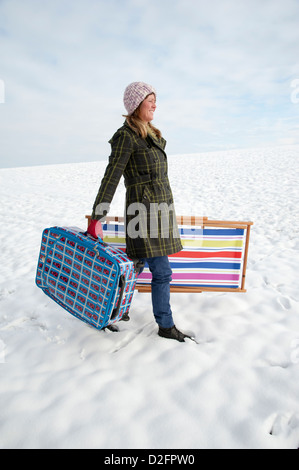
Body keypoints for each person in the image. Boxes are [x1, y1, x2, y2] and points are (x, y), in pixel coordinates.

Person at [88, 81, 190, 342]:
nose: (155, 104)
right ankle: (165, 326)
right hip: (143, 213)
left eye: (155, 99)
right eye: (150, 99)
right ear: (136, 105)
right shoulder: (126, 136)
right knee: (162, 272)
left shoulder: (151, 134)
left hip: (160, 211)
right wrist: (97, 216)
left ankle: (107, 311)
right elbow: (111, 177)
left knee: (134, 267)